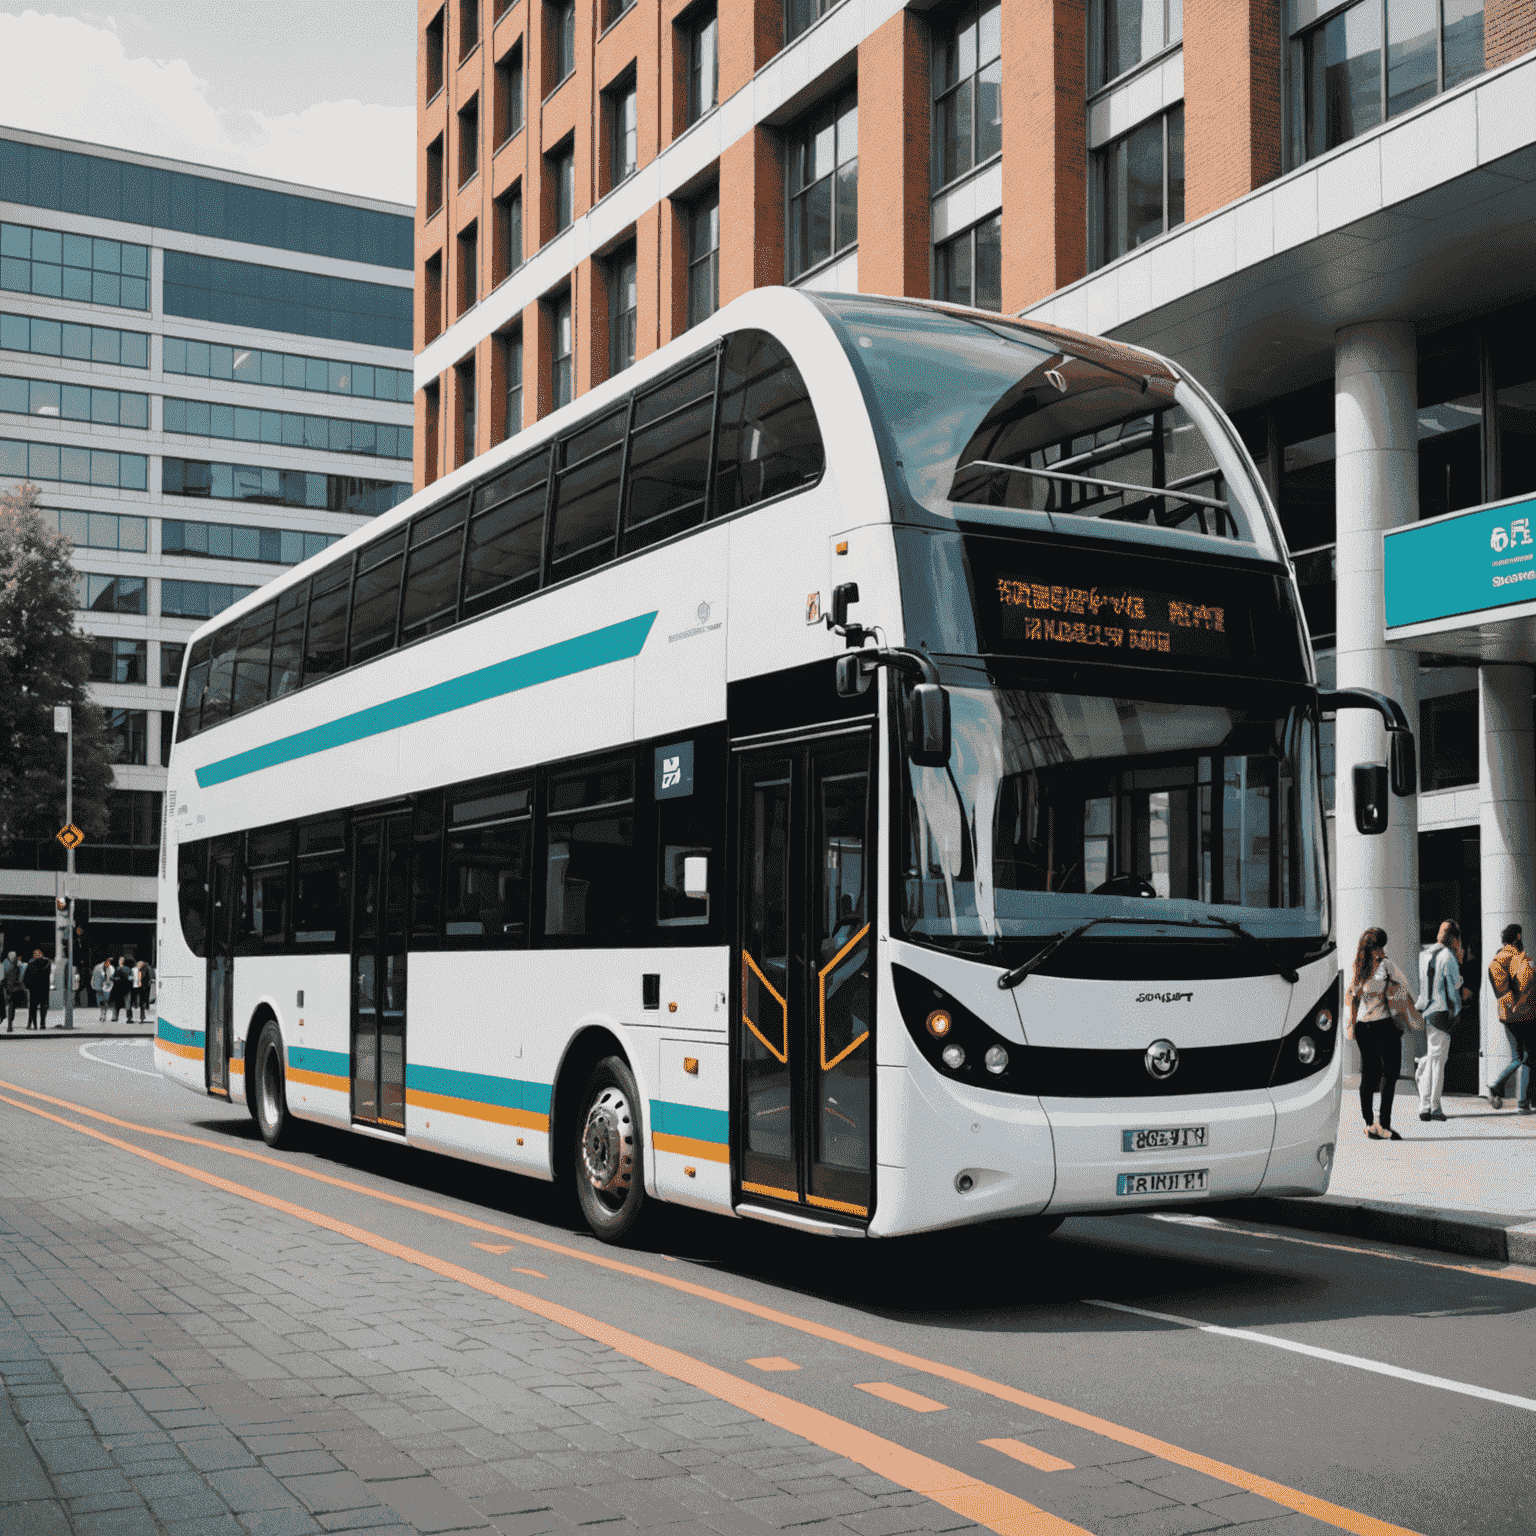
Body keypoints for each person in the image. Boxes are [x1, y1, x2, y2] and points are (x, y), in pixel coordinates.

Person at [1346, 926, 1415, 1140]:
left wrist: (1352, 1023)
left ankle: (1368, 1124)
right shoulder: (1385, 965)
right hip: (1384, 1024)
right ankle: (1384, 1124)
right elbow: (1406, 987)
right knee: (1390, 1073)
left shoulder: (1358, 967)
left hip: (1362, 1026)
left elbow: (1352, 996)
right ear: (1381, 945)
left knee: (1368, 1073)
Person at [1415, 920, 1464, 1122]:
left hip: (1427, 1011)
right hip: (1443, 1013)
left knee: (1433, 1058)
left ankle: (1426, 1103)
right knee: (1438, 1062)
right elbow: (1454, 988)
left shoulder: (1424, 955)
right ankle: (1431, 1107)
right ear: (1454, 937)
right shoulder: (1448, 957)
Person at [1488, 923, 1536, 1112]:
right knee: (1525, 1058)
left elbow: (1501, 991)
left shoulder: (1498, 958)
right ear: (1518, 936)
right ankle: (1520, 1101)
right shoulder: (1517, 957)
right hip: (1523, 1013)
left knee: (1520, 1057)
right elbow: (1527, 983)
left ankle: (1515, 1098)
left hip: (1507, 1014)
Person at [22, 949, 53, 1031]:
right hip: (44, 988)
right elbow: (49, 974)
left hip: (34, 989)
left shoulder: (31, 963)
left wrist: (28, 986)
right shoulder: (47, 963)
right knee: (44, 1007)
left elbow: (26, 976)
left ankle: (31, 1024)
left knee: (32, 1007)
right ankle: (42, 1024)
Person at [2, 950, 23, 1031]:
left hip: (12, 987)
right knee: (11, 1006)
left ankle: (10, 1023)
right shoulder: (8, 963)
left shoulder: (16, 964)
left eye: (13, 956)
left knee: (12, 1006)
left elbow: (21, 975)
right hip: (9, 987)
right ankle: (9, 1025)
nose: (12, 957)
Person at [108, 956, 131, 1023]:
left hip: (122, 988)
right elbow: (130, 977)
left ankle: (117, 1017)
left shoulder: (120, 969)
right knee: (123, 1004)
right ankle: (127, 1018)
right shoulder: (124, 969)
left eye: (122, 960)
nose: (121, 961)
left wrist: (114, 978)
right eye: (121, 960)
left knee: (123, 1004)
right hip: (122, 988)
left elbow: (112, 977)